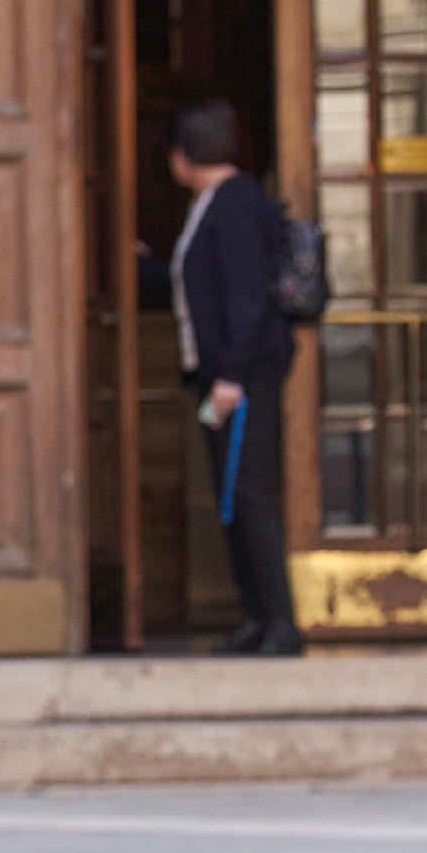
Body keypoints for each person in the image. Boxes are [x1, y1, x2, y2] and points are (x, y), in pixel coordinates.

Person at [165, 101, 304, 658]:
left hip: (241, 380)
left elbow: (246, 300)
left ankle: (282, 625)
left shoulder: (237, 205)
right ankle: (256, 617)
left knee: (249, 498)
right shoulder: (214, 204)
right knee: (231, 499)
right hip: (223, 377)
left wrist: (231, 375)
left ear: (185, 156)